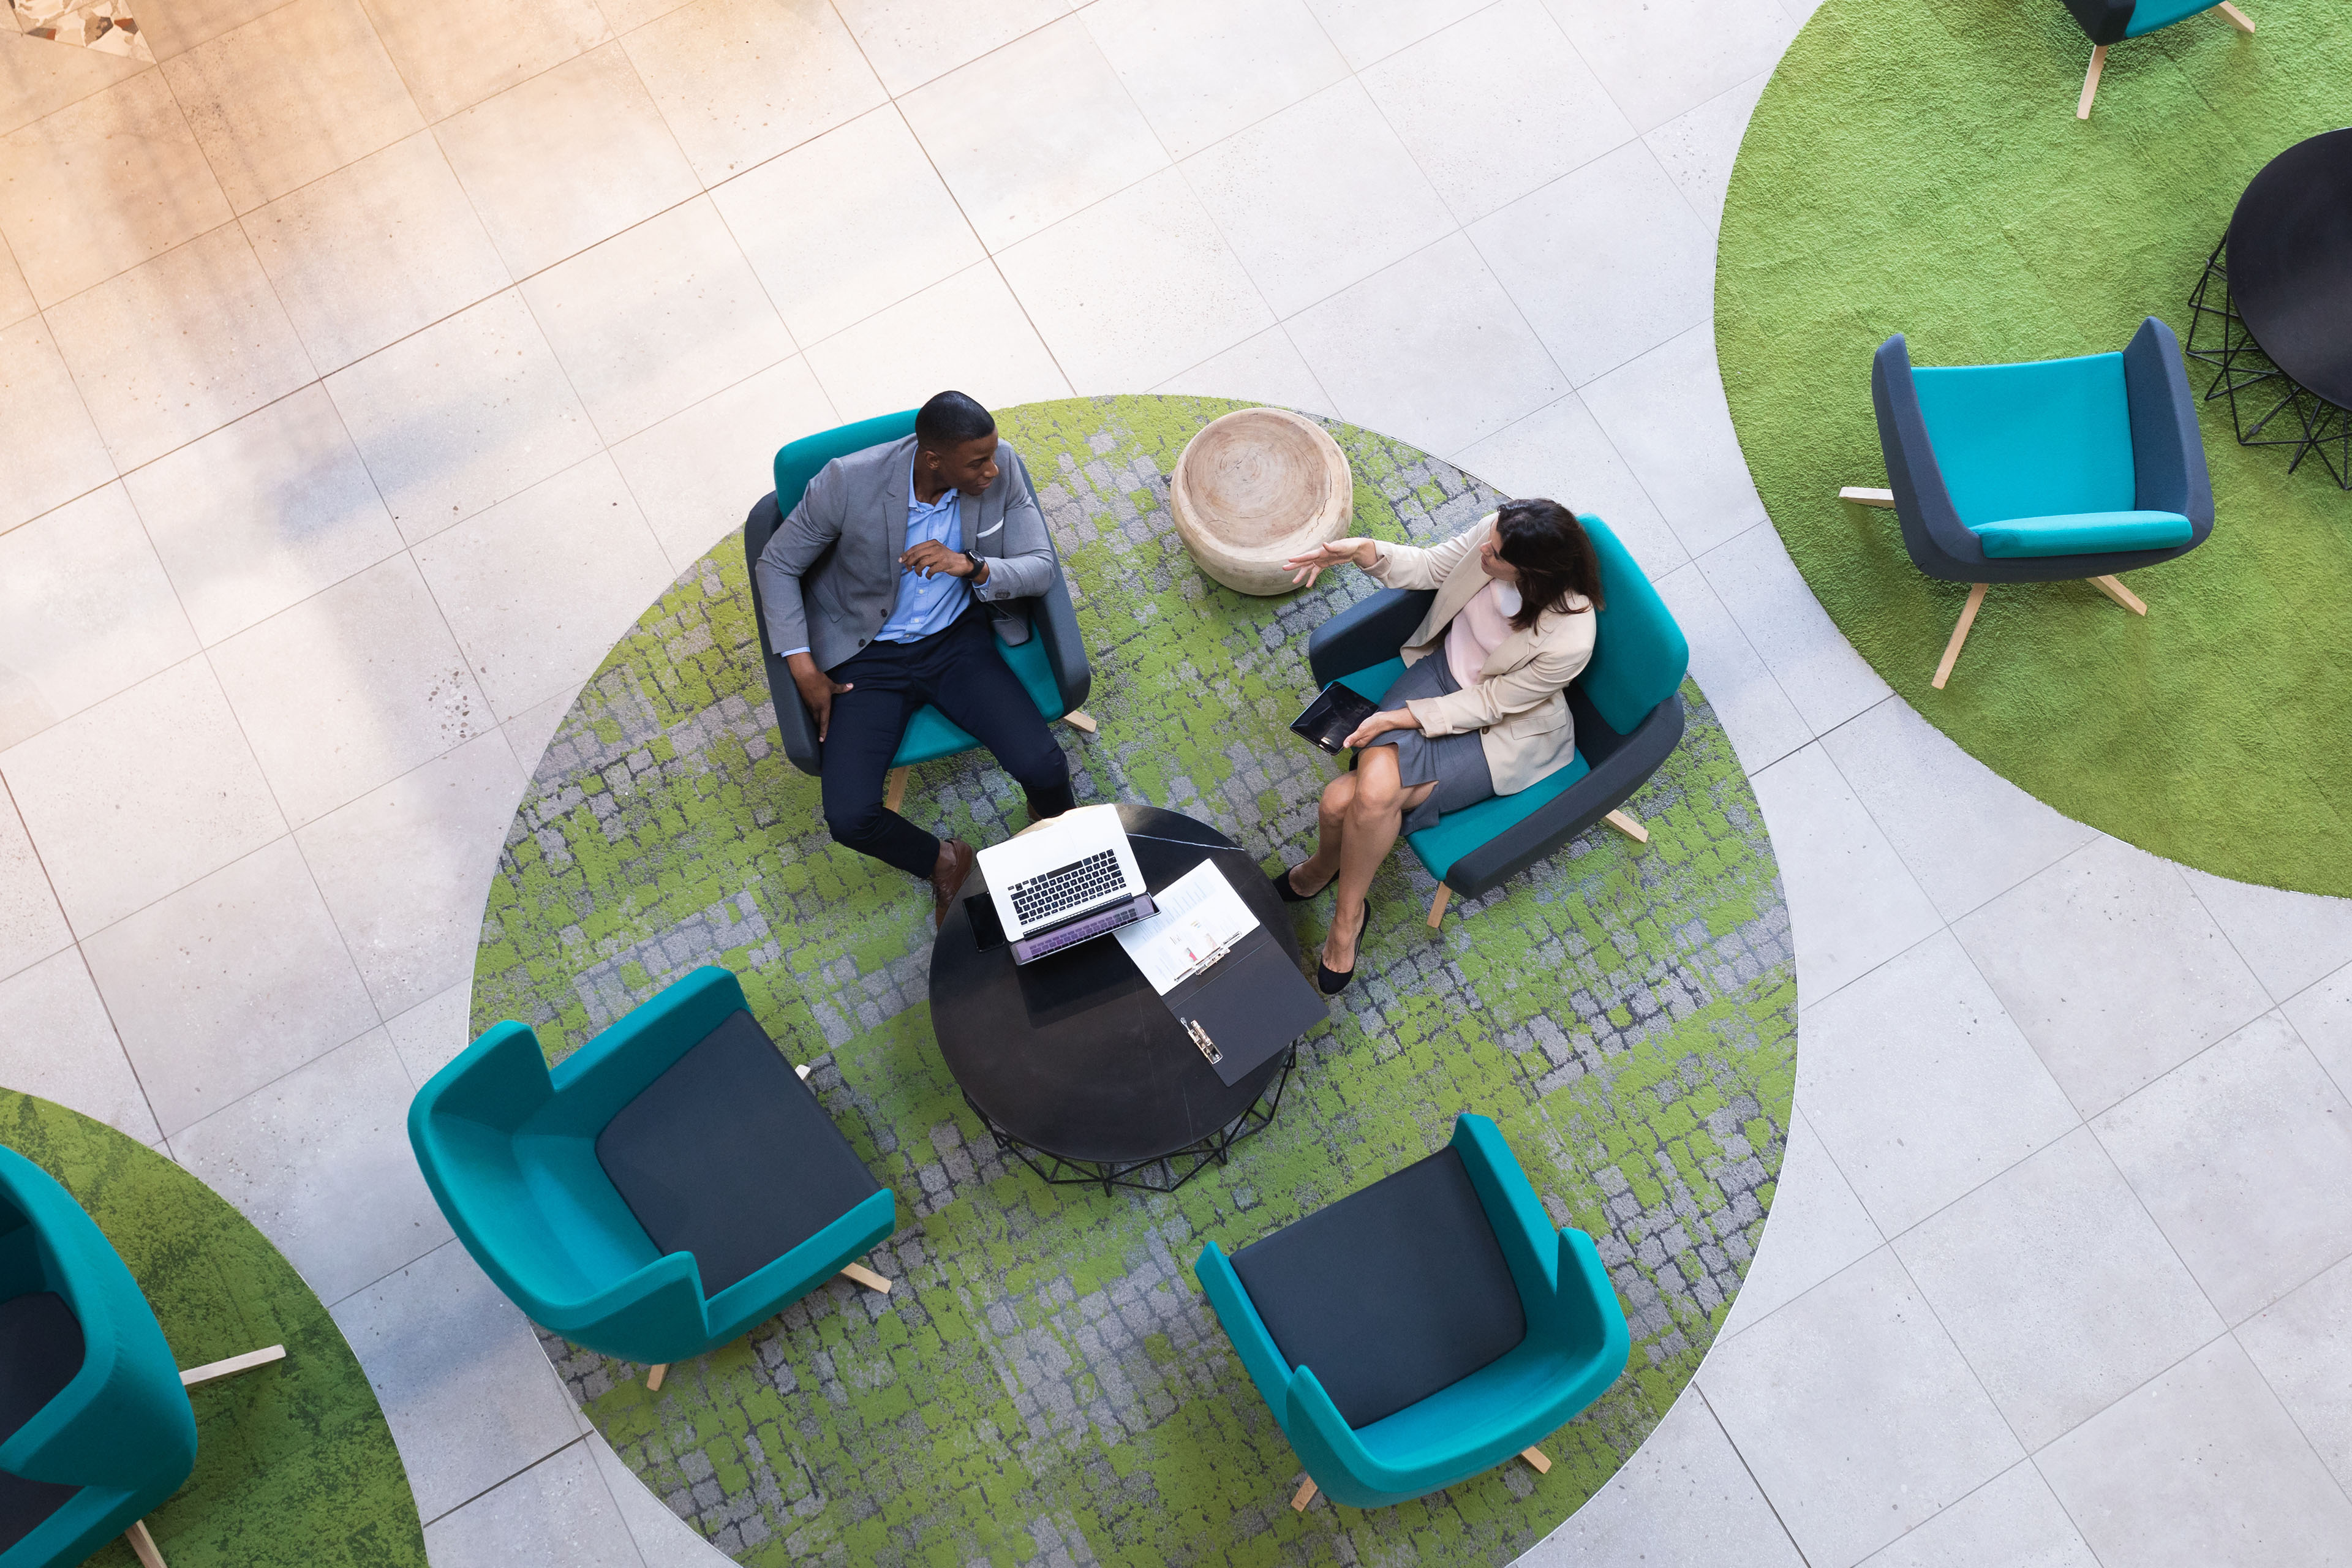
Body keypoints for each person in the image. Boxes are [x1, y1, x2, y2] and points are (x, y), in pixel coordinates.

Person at [756, 391, 1074, 925]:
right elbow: (776, 565)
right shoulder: (847, 481)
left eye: (992, 455)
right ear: (932, 460)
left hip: (956, 642)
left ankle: (1057, 839)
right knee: (850, 817)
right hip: (866, 657)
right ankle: (946, 862)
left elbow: (1040, 568)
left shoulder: (1005, 468)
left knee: (1045, 765)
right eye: (977, 462)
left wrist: (970, 566)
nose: (992, 470)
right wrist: (803, 667)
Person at [1277, 501, 1604, 993]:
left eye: (1494, 556)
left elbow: (1494, 703)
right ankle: (1337, 887)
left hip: (1500, 729)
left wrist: (1398, 717)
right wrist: (1364, 552)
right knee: (1353, 798)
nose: (1482, 553)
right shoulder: (1496, 534)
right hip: (1439, 673)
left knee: (1347, 799)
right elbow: (1433, 566)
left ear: (1533, 572)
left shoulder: (1572, 636)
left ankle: (1343, 912)